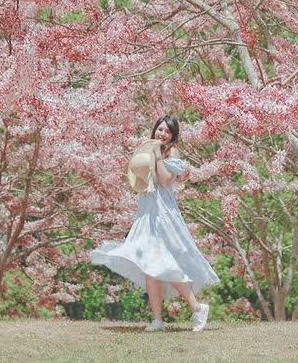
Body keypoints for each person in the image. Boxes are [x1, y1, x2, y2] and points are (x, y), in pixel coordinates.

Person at [90, 115, 218, 332]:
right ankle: (158, 320)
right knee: (149, 266)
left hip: (163, 213)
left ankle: (197, 307)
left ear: (173, 136)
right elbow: (138, 179)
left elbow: (167, 180)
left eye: (167, 131)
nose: (162, 134)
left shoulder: (172, 152)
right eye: (160, 129)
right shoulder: (147, 150)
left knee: (165, 263)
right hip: (147, 211)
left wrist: (158, 156)